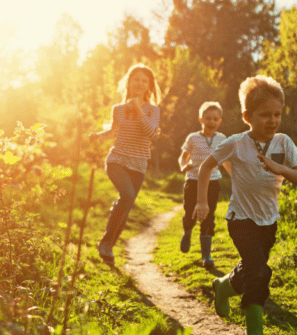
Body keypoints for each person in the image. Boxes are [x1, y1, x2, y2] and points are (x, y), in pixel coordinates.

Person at [194, 75, 297, 335]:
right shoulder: (236, 142)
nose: (272, 120)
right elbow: (206, 167)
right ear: (247, 116)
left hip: (269, 222)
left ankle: (223, 286)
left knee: (252, 269)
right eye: (265, 114)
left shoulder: (284, 143)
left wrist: (281, 169)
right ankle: (254, 332)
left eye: (277, 114)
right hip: (240, 219)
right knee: (259, 270)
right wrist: (202, 202)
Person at [88, 63, 161, 267]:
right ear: (128, 82)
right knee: (127, 196)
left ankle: (108, 246)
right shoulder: (118, 109)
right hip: (117, 160)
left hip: (138, 164)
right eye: (136, 79)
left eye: (144, 81)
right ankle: (106, 242)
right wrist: (97, 137)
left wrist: (139, 110)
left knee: (126, 206)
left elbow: (152, 135)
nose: (139, 83)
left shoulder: (153, 110)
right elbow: (113, 133)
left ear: (149, 86)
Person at [178, 101, 229, 270]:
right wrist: (183, 166)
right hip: (192, 179)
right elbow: (183, 157)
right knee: (189, 211)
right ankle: (187, 231)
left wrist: (236, 177)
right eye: (208, 118)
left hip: (213, 181)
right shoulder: (193, 138)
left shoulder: (222, 139)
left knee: (209, 215)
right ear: (201, 119)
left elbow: (228, 160)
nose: (211, 122)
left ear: (220, 121)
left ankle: (206, 256)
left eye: (215, 119)